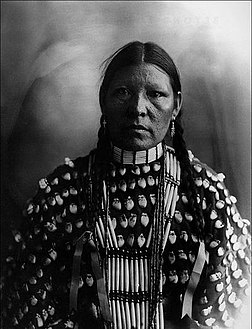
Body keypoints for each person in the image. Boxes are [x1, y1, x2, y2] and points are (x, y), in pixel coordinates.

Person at [1, 41, 250, 329]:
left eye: (156, 94)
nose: (138, 108)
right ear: (103, 102)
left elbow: (235, 313)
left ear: (176, 104)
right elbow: (23, 314)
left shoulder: (206, 195)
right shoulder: (60, 195)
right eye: (122, 93)